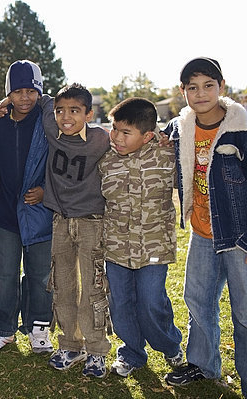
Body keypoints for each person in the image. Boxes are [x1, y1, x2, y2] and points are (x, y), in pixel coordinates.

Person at [162, 57, 247, 396]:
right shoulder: (181, 127)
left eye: (208, 85)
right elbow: (148, 135)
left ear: (221, 88)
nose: (200, 94)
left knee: (243, 311)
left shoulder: (241, 128)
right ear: (183, 92)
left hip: (239, 236)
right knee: (198, 298)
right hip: (202, 230)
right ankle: (203, 363)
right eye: (192, 88)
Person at [99, 97, 183, 378]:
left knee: (150, 301)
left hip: (154, 246)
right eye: (115, 129)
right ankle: (132, 352)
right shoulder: (105, 158)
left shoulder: (167, 155)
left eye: (126, 132)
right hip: (116, 247)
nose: (117, 137)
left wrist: (170, 142)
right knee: (120, 304)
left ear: (148, 135)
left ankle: (170, 346)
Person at [0, 60, 54, 355]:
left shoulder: (49, 119)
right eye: (18, 91)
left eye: (31, 91)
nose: (25, 98)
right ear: (8, 93)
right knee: (3, 273)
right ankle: (2, 328)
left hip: (39, 212)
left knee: (41, 274)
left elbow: (61, 163)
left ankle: (39, 328)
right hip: (5, 213)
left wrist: (47, 191)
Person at [39, 83, 111, 378]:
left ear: (88, 113)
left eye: (74, 111)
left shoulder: (101, 139)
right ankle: (70, 344)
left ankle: (96, 350)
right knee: (63, 285)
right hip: (60, 221)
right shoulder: (52, 130)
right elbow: (38, 96)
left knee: (93, 287)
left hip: (92, 222)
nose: (66, 117)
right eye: (60, 111)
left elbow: (132, 139)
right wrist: (6, 102)